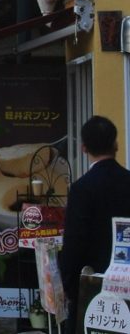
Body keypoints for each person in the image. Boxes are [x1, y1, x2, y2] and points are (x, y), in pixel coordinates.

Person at [60, 116, 130, 322]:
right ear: (116, 144)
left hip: (92, 291)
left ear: (83, 148)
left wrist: (69, 286)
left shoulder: (81, 189)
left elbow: (74, 242)